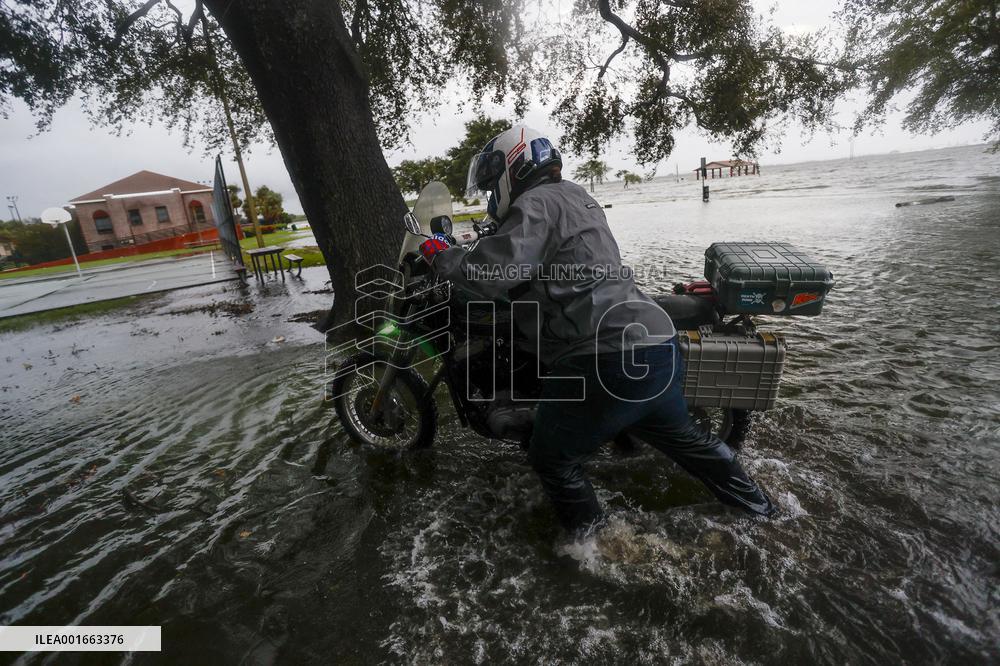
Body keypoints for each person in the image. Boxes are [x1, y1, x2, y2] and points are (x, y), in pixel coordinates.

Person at [419, 124, 775, 534]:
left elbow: (492, 271)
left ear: (511, 168)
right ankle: (765, 513)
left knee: (551, 459)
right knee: (695, 447)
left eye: (489, 187)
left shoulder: (535, 204)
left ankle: (599, 547)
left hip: (605, 359)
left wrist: (440, 255)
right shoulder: (575, 196)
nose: (489, 196)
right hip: (657, 346)